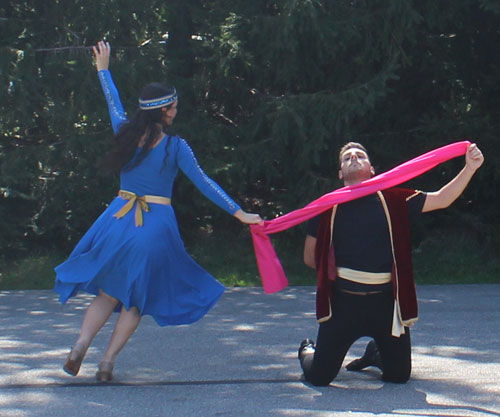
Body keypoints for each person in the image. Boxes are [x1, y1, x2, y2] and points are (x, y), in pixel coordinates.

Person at [54, 41, 263, 382]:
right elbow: (205, 183)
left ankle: (79, 345)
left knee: (108, 292)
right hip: (154, 226)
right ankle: (106, 363)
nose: (177, 111)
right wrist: (239, 213)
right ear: (164, 110)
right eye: (174, 107)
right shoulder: (176, 147)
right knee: (135, 299)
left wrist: (103, 69)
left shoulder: (124, 132)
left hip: (117, 219)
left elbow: (113, 102)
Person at [298, 141, 484, 385]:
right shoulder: (324, 207)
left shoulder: (394, 199)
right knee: (319, 377)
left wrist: (470, 168)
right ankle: (307, 350)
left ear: (372, 169)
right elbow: (310, 259)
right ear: (340, 173)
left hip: (385, 305)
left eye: (360, 155)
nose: (354, 158)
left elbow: (442, 198)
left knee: (399, 376)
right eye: (347, 158)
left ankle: (375, 354)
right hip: (343, 305)